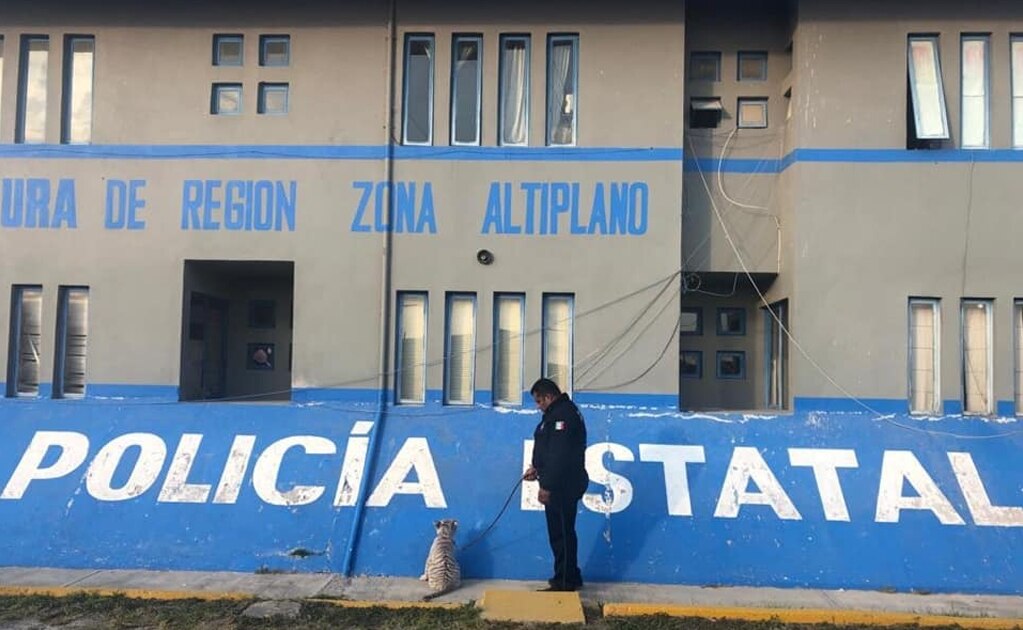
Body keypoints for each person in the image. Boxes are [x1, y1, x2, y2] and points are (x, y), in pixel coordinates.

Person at [523, 378, 588, 592]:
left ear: (549, 397)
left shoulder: (563, 416)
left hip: (562, 485)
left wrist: (547, 486)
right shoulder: (556, 414)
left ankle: (565, 580)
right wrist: (537, 468)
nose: (538, 406)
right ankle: (570, 575)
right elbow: (549, 449)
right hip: (560, 481)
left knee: (561, 534)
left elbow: (560, 455)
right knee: (561, 532)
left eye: (539, 401)